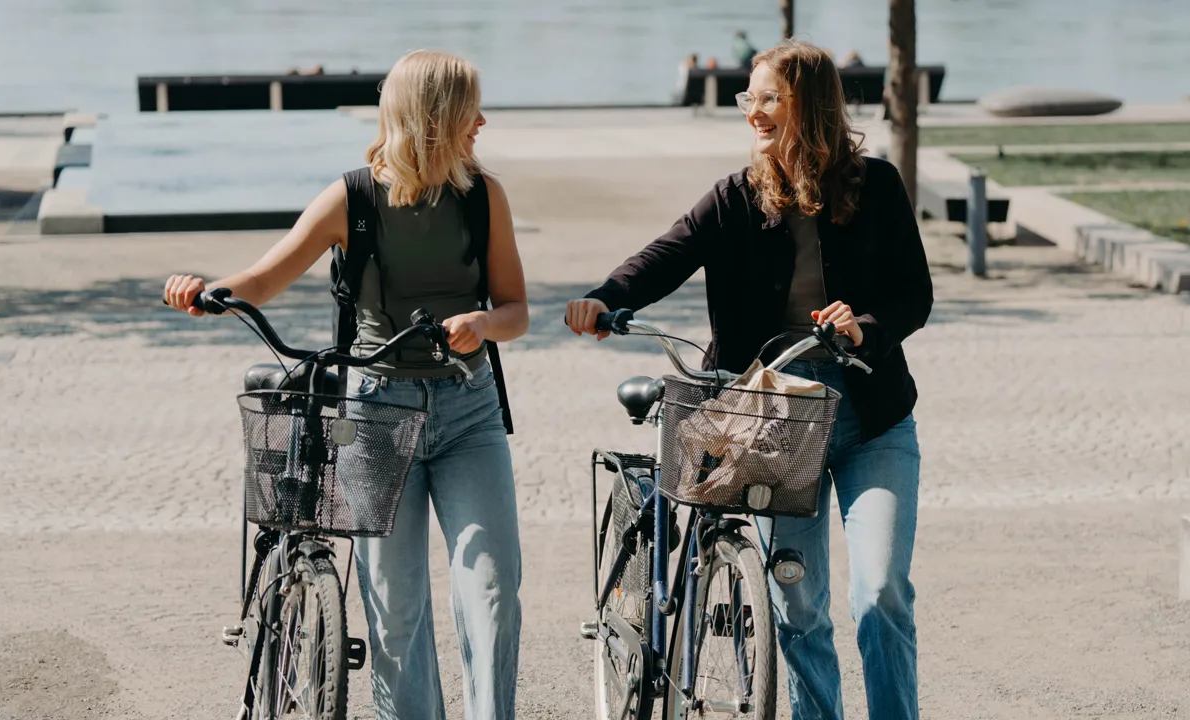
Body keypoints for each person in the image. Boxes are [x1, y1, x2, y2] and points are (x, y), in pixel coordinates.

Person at [565, 39, 931, 720]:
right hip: (771, 423)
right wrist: (605, 297)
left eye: (769, 98)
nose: (754, 112)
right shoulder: (736, 196)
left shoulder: (875, 186)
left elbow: (916, 296)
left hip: (870, 418)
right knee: (797, 605)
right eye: (749, 98)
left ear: (809, 106)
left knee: (880, 594)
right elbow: (663, 257)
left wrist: (865, 327)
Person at [164, 49, 528, 720]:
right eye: (468, 109)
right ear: (434, 117)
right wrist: (203, 291)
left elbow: (516, 310)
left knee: (495, 591)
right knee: (396, 611)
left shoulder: (485, 197)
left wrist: (483, 321)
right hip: (375, 419)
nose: (481, 121)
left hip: (468, 412)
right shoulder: (353, 197)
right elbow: (265, 278)